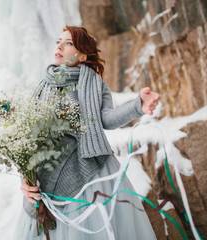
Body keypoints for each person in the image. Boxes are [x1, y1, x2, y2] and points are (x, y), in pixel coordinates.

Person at [13, 25, 159, 240]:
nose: (60, 46)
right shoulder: (42, 87)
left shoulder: (96, 85)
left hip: (89, 174)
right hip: (46, 179)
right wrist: (25, 180)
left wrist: (138, 105)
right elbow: (28, 142)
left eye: (69, 43)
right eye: (59, 41)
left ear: (82, 56)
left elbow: (106, 120)